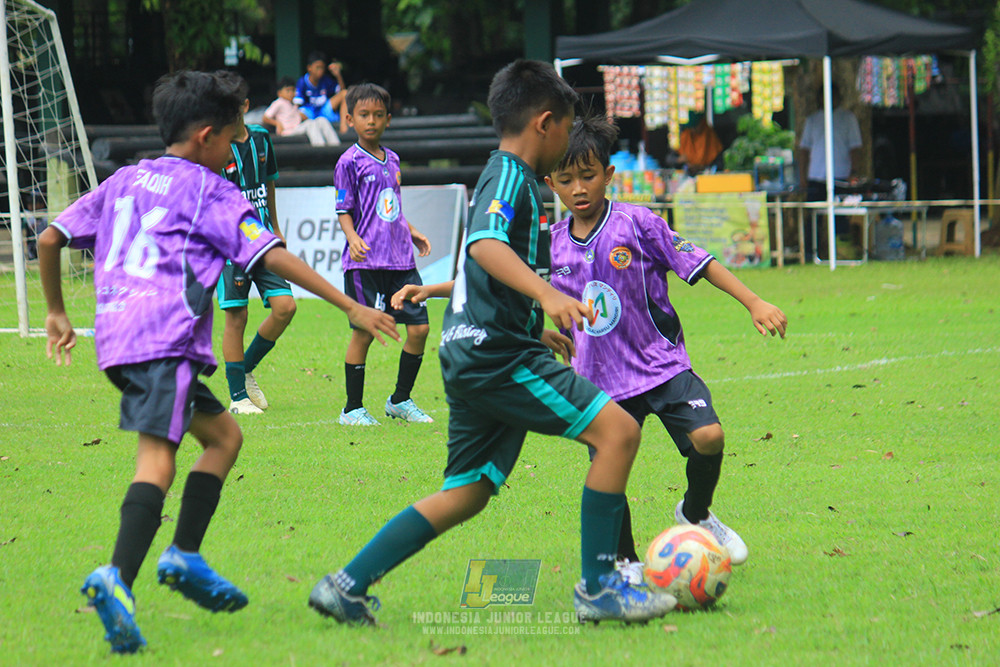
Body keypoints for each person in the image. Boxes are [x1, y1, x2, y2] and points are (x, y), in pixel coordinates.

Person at [37, 70, 399, 654]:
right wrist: (349, 303)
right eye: (233, 141)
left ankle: (183, 555)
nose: (237, 153)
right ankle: (118, 578)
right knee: (157, 460)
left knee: (224, 437)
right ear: (207, 136)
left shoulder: (126, 177)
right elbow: (274, 255)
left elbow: (50, 237)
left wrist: (56, 311)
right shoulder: (211, 190)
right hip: (165, 340)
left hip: (121, 341)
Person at [307, 59, 677, 627]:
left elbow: (486, 272)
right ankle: (601, 588)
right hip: (495, 356)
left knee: (469, 490)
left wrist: (537, 323)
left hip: (473, 350)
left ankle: (346, 584)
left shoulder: (504, 175)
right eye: (567, 128)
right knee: (619, 432)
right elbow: (483, 247)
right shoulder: (509, 175)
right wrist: (548, 297)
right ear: (546, 123)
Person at [542, 114, 787, 581]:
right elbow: (505, 287)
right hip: (600, 381)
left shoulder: (638, 223)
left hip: (661, 364)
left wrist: (754, 301)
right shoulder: (547, 245)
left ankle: (695, 513)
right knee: (608, 476)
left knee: (709, 436)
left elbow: (701, 261)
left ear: (608, 175)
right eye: (567, 179)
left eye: (588, 176)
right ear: (551, 182)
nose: (579, 189)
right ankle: (628, 564)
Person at [335, 83, 433, 426]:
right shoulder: (348, 162)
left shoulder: (392, 159)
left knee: (419, 330)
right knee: (364, 332)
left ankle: (400, 401)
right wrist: (351, 237)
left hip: (401, 260)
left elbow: (389, 207)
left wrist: (412, 230)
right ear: (350, 119)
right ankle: (352, 409)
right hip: (366, 263)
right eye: (364, 115)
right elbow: (344, 209)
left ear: (388, 120)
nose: (371, 121)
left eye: (378, 115)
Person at [216, 90, 295, 415]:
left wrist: (275, 226)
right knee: (238, 316)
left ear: (245, 106)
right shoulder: (214, 147)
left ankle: (244, 368)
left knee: (285, 308)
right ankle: (238, 398)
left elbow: (269, 183)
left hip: (263, 240)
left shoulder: (262, 138)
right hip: (230, 245)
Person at [798, 84, 863, 260]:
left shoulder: (847, 118)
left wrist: (854, 172)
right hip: (816, 176)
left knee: (841, 218)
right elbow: (804, 149)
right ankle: (811, 254)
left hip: (840, 176)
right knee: (813, 218)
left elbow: (855, 147)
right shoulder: (812, 120)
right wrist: (802, 175)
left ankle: (842, 253)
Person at [262, 77, 341, 146]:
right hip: (288, 131)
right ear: (279, 93)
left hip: (298, 128)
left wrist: (303, 116)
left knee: (321, 120)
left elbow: (301, 117)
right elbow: (265, 118)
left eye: (292, 90)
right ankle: (320, 147)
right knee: (310, 124)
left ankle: (335, 145)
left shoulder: (293, 104)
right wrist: (277, 123)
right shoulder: (279, 102)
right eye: (287, 90)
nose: (290, 93)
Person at [295, 51, 348, 134]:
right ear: (309, 68)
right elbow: (297, 105)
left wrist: (338, 75)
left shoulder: (325, 80)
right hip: (310, 114)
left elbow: (342, 92)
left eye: (322, 68)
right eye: (317, 67)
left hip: (324, 111)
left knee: (345, 93)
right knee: (298, 113)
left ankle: (344, 128)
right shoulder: (302, 82)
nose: (320, 71)